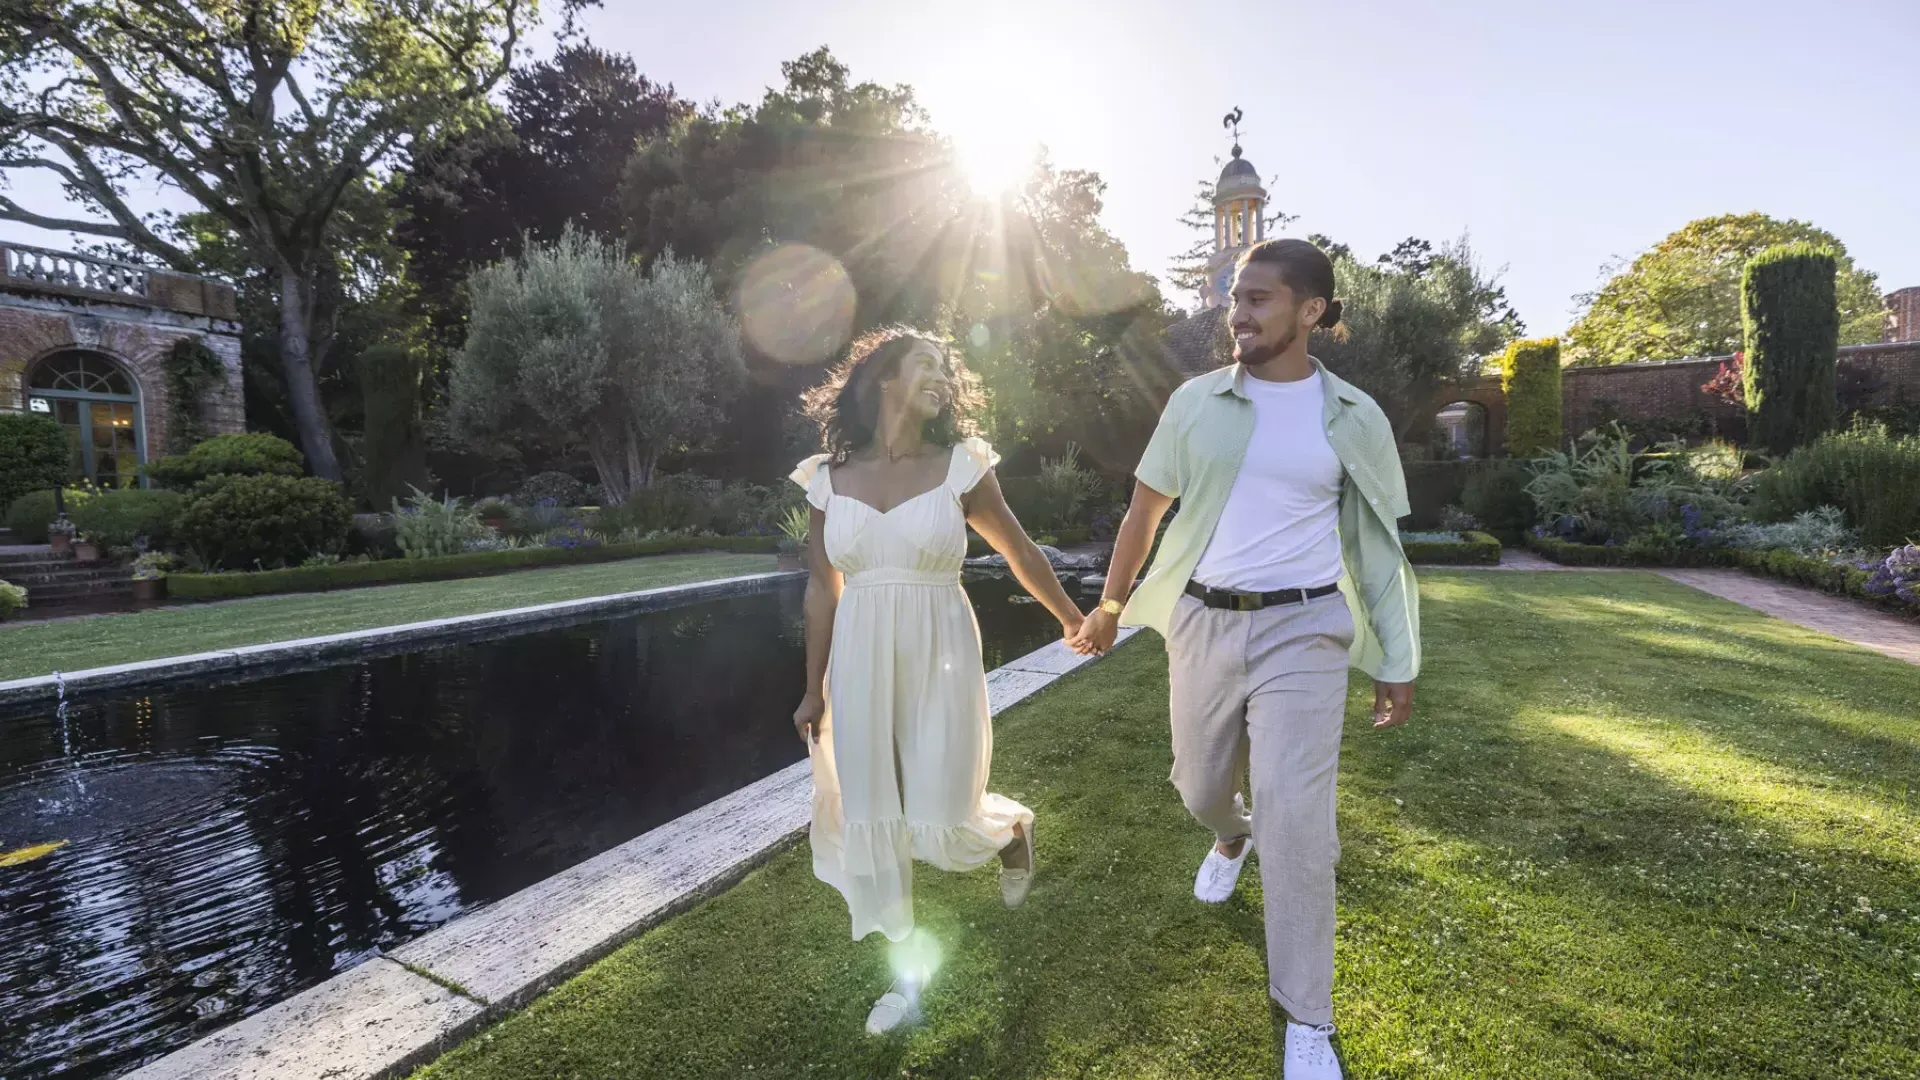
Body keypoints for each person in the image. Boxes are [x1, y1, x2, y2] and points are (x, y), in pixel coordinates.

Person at [1071, 238, 1420, 1079]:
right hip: (1203, 623)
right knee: (1198, 788)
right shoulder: (1197, 402)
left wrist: (1397, 658)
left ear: (1310, 311)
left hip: (1305, 630)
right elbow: (1141, 515)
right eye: (1235, 298)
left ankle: (1308, 1016)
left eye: (1259, 299)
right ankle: (1232, 838)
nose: (1239, 314)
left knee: (1301, 822)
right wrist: (1112, 604)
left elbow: (1378, 548)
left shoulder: (1355, 418)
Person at [790, 326, 1091, 1036]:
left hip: (942, 649)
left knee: (945, 813)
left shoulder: (961, 467)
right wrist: (812, 689)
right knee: (875, 815)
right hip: (858, 659)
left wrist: (1074, 619)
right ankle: (905, 979)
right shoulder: (825, 481)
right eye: (928, 364)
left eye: (948, 370)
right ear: (885, 380)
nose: (943, 378)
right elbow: (819, 591)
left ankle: (1010, 834)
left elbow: (1019, 551)